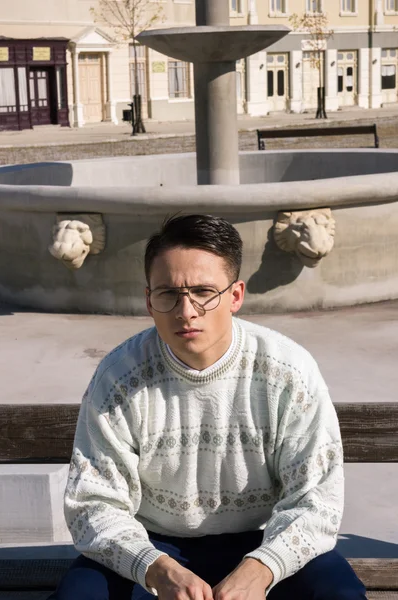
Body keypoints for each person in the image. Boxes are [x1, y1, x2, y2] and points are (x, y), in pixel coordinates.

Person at [51, 214, 366, 600]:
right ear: (149, 300)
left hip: (262, 539)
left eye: (204, 292)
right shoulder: (119, 376)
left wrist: (263, 568)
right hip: (153, 544)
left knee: (340, 596)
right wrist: (154, 567)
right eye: (168, 294)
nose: (186, 311)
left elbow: (317, 502)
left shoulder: (288, 372)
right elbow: (93, 503)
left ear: (235, 296)